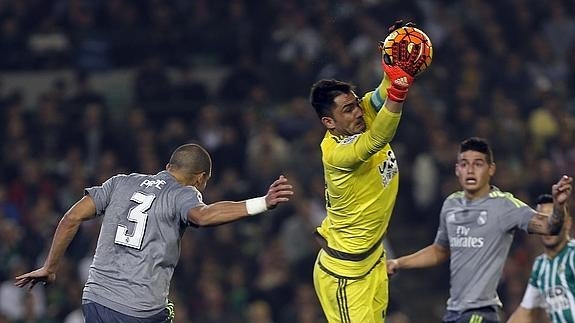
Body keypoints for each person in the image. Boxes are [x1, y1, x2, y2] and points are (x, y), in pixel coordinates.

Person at [14, 143, 294, 323]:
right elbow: (204, 215)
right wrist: (262, 202)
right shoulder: (183, 193)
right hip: (139, 310)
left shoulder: (120, 182)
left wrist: (50, 267)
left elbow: (71, 217)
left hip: (96, 301)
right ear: (200, 178)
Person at [309, 21, 429, 323]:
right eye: (347, 110)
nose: (358, 112)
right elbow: (379, 139)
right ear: (329, 122)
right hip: (346, 275)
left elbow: (383, 91)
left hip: (374, 257)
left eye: (355, 104)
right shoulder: (337, 154)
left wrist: (392, 59)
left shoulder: (362, 111)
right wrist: (400, 90)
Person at [386, 137, 573, 323]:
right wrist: (399, 263)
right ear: (457, 169)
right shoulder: (451, 204)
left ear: (491, 169)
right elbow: (439, 250)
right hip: (454, 312)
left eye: (478, 164)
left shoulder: (504, 205)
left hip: (481, 312)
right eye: (464, 164)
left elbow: (550, 227)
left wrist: (558, 206)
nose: (470, 170)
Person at [508, 194, 575, 323]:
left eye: (554, 219)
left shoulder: (572, 255)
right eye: (542, 219)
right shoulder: (541, 265)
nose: (549, 225)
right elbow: (524, 313)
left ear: (568, 223)